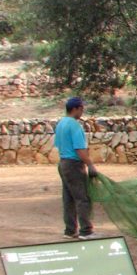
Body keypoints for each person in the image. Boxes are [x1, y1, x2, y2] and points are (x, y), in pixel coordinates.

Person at [54, 96, 101, 239]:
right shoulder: (74, 125)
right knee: (82, 198)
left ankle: (70, 230)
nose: (82, 111)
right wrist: (90, 164)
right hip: (74, 165)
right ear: (75, 109)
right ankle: (86, 231)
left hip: (63, 163)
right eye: (81, 108)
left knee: (68, 198)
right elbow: (80, 149)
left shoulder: (61, 123)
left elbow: (58, 145)